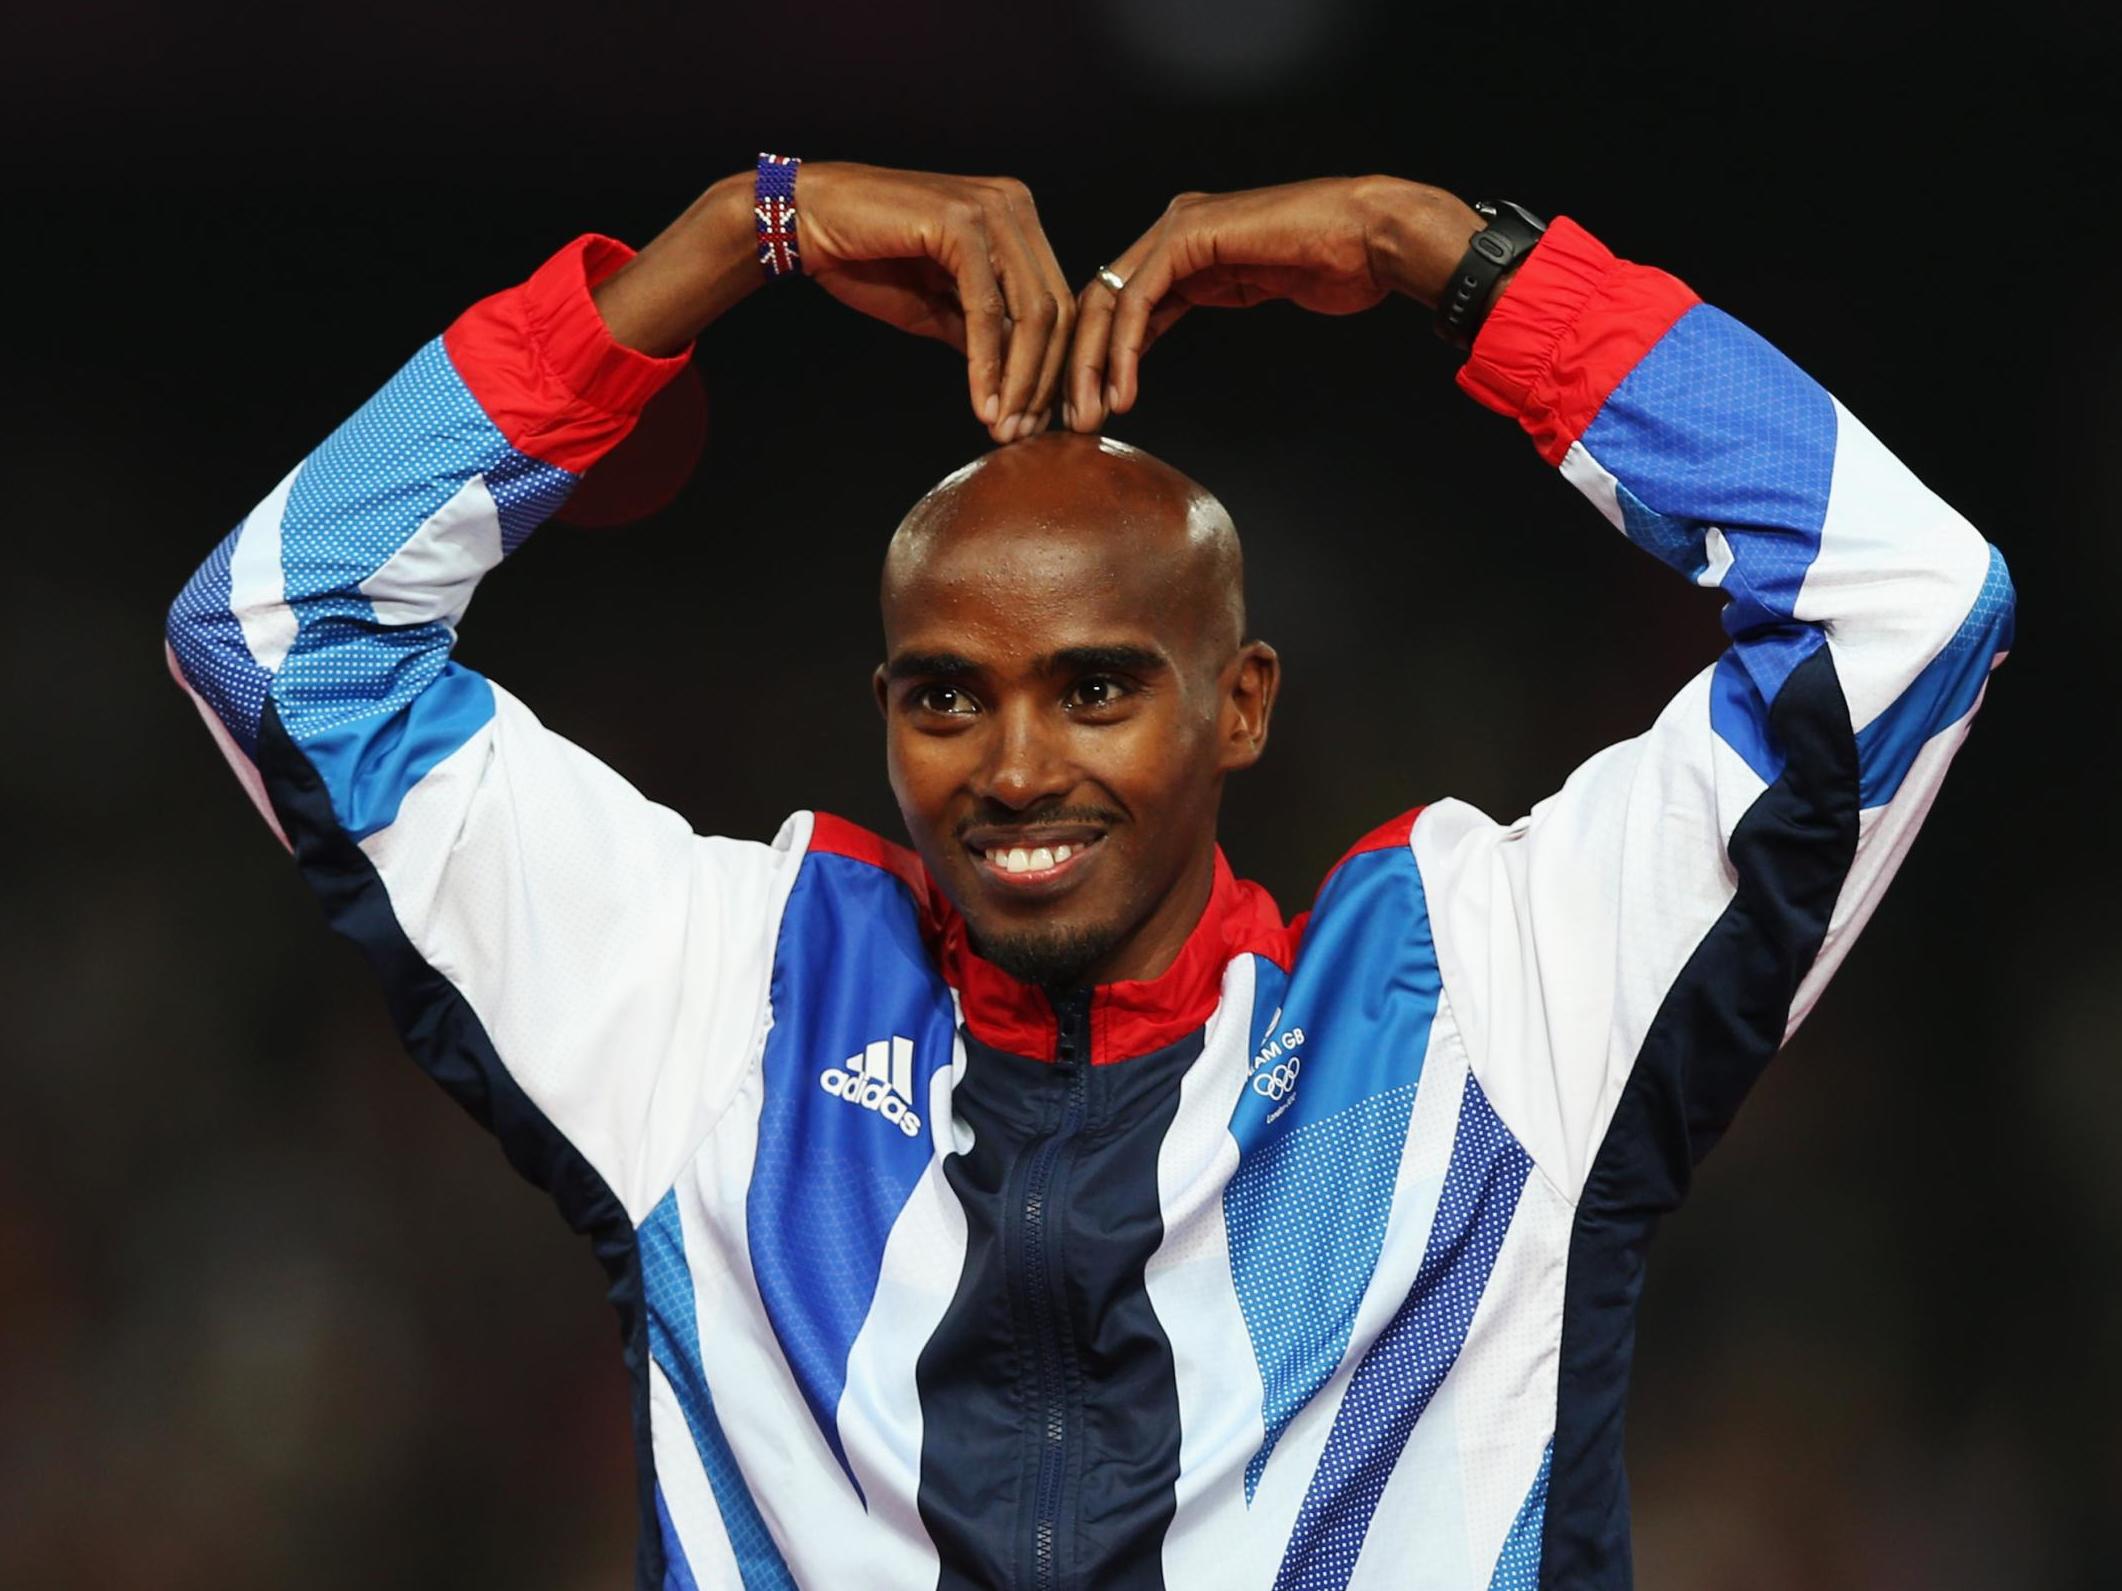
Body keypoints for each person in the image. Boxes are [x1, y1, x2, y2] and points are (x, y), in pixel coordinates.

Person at [165, 157, 2013, 1590]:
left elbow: (1909, 602)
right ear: (882, 716)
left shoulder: (1488, 1006)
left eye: (1100, 686)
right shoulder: (718, 1005)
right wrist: (727, 244)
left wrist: (1450, 255)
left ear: (1240, 705)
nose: (1021, 765)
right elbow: (276, 630)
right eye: (948, 696)